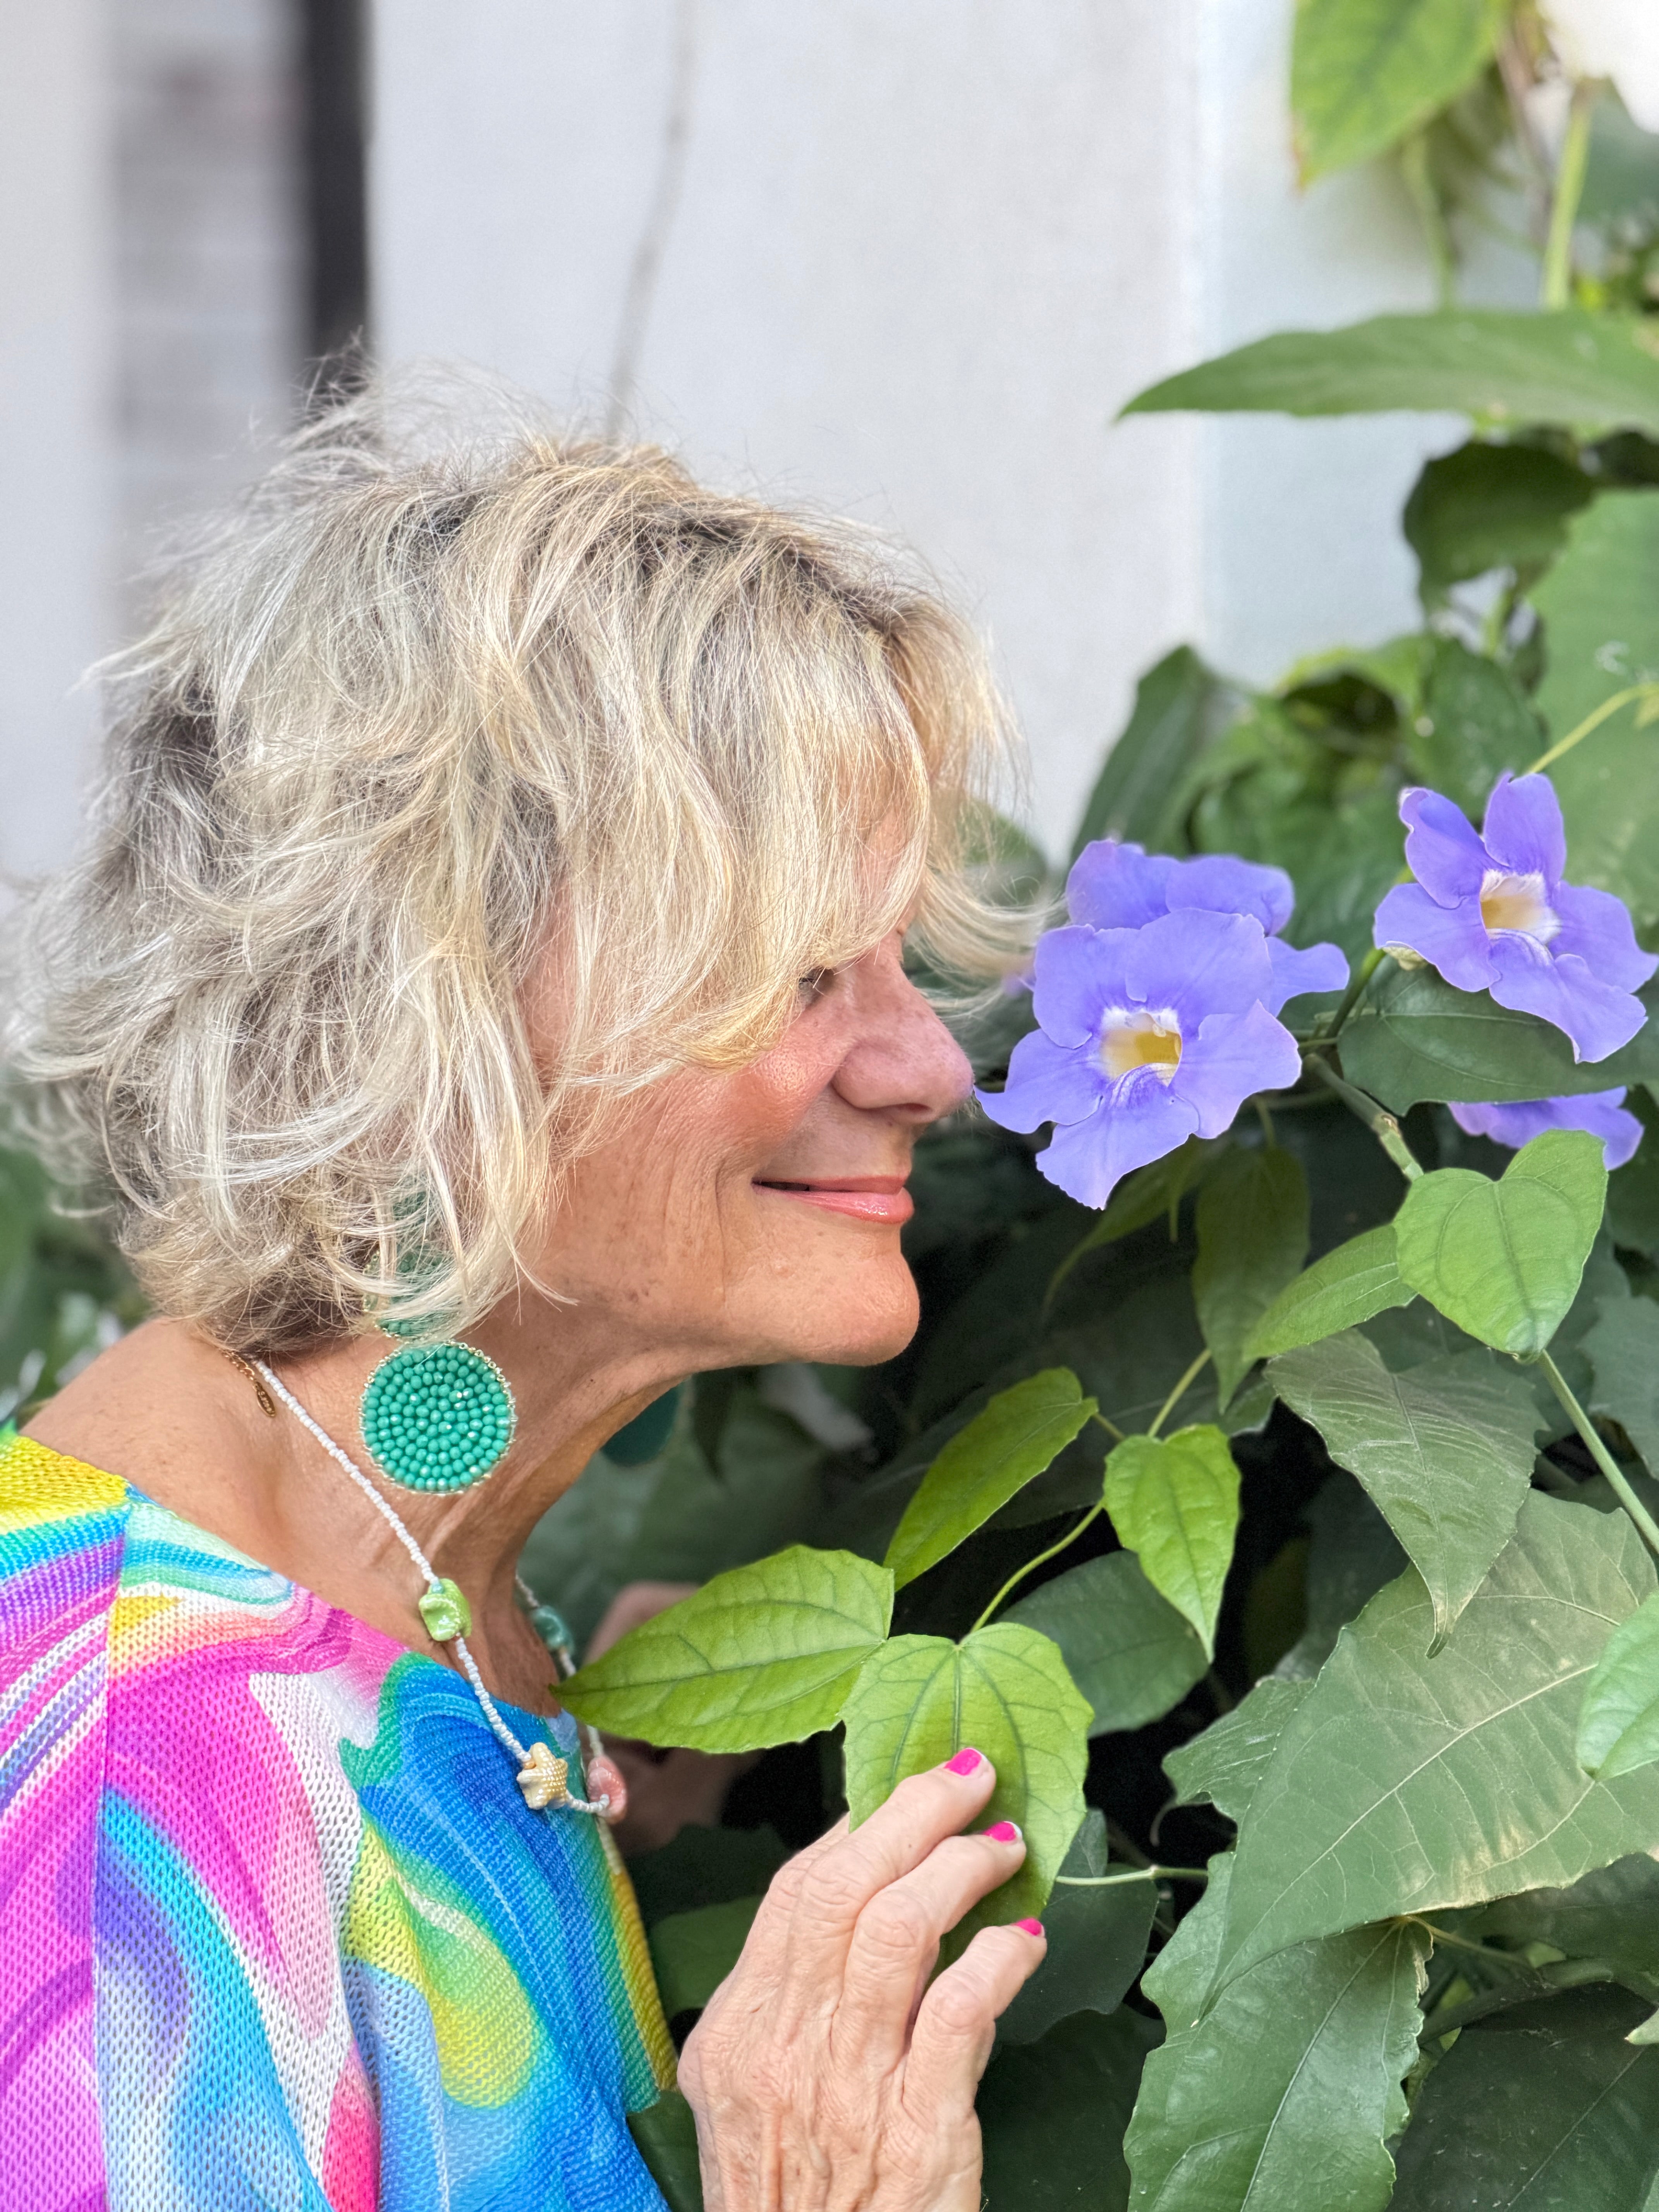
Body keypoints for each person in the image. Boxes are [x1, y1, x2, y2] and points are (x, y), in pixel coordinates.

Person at [0, 382, 1048, 2211]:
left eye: (897, 965)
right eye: (803, 974)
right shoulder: (132, 1802)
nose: (929, 1069)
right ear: (439, 1017)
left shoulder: (415, 1577)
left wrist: (559, 1766)